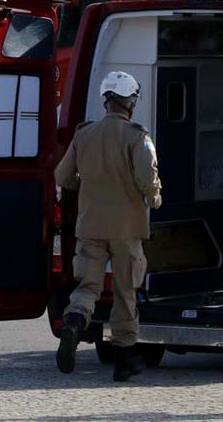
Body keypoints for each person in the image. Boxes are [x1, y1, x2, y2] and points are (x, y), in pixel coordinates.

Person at [53, 71, 162, 382]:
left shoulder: (83, 135)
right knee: (125, 292)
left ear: (106, 100)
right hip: (126, 229)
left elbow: (62, 177)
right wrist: (154, 199)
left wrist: (84, 185)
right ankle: (124, 360)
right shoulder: (137, 136)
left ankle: (73, 323)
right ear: (130, 102)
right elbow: (147, 179)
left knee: (87, 287)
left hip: (89, 225)